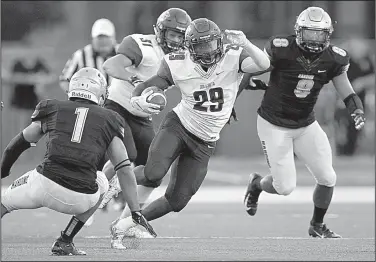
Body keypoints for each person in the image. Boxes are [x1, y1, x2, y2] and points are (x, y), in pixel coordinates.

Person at [108, 17, 270, 249]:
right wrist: (141, 100)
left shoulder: (233, 55)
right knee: (154, 173)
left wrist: (246, 43)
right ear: (189, 47)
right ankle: (117, 181)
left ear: (220, 42)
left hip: (205, 141)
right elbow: (148, 86)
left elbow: (264, 64)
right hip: (179, 126)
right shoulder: (176, 61)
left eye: (211, 45)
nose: (207, 51)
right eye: (200, 46)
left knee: (177, 200)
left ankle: (125, 224)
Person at [1, 68, 155, 255]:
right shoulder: (111, 118)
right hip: (81, 198)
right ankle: (65, 240)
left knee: (4, 204)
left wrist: (4, 170)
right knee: (102, 180)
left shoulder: (52, 108)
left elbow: (18, 144)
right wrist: (135, 210)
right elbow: (123, 168)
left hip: (42, 185)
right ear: (99, 93)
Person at [243, 7, 366, 238]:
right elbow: (253, 68)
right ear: (298, 31)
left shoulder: (334, 58)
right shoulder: (281, 48)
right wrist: (236, 95)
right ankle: (257, 184)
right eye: (309, 33)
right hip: (274, 123)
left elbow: (347, 92)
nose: (314, 40)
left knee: (328, 178)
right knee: (284, 187)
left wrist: (356, 109)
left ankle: (317, 225)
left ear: (328, 34)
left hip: (305, 124)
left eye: (319, 34)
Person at [98, 8, 192, 223]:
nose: (177, 40)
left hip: (141, 116)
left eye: (181, 36)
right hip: (117, 106)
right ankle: (95, 193)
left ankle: (127, 222)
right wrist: (136, 81)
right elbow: (110, 65)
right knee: (127, 153)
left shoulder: (183, 57)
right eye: (172, 35)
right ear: (161, 32)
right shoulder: (142, 44)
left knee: (154, 173)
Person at [59, 18, 118, 93]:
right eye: (99, 37)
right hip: (90, 102)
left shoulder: (124, 54)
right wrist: (76, 97)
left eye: (106, 37)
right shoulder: (80, 55)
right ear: (93, 39)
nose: (103, 41)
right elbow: (65, 80)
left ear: (114, 38)